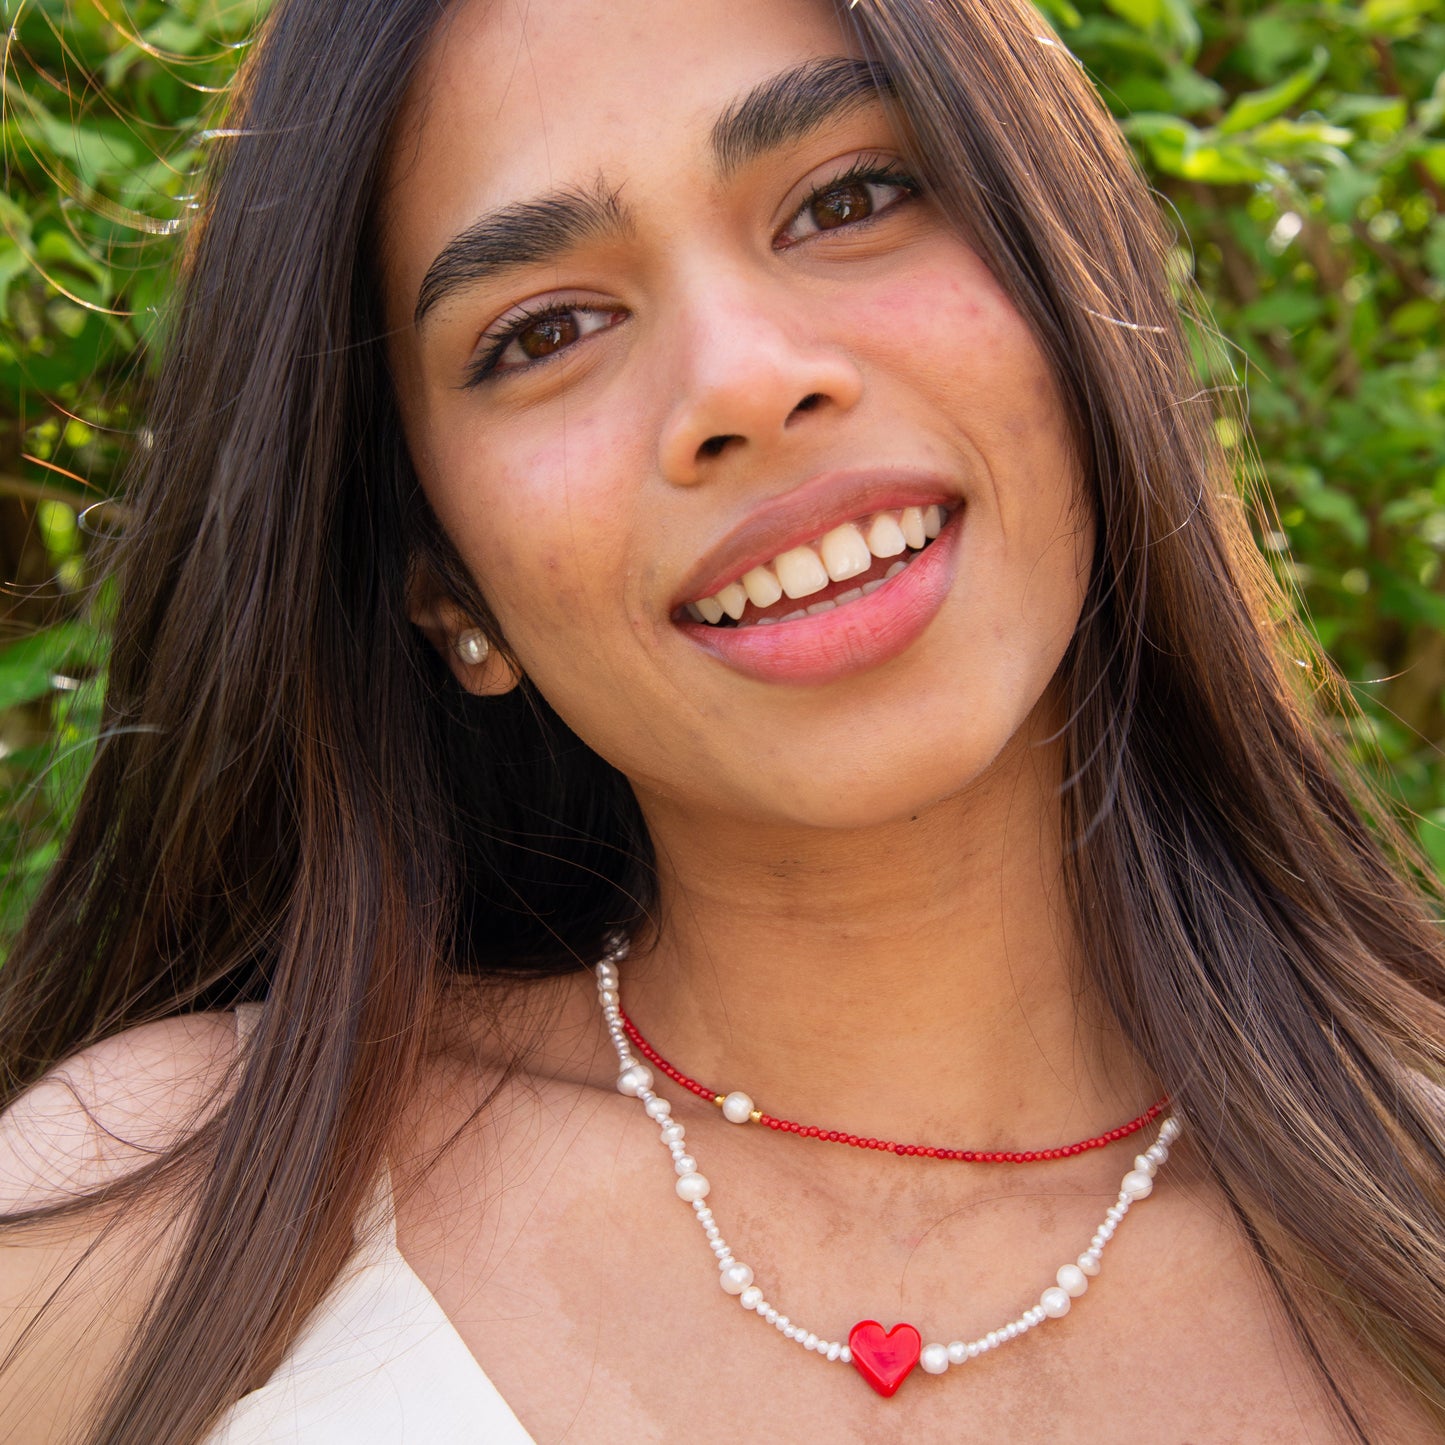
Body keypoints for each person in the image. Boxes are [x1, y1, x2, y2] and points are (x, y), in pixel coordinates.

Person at [2, 0, 1443, 1439]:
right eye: (544, 330)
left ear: (1071, 281)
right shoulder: (146, 1220)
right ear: (437, 578)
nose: (744, 383)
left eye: (849, 199)